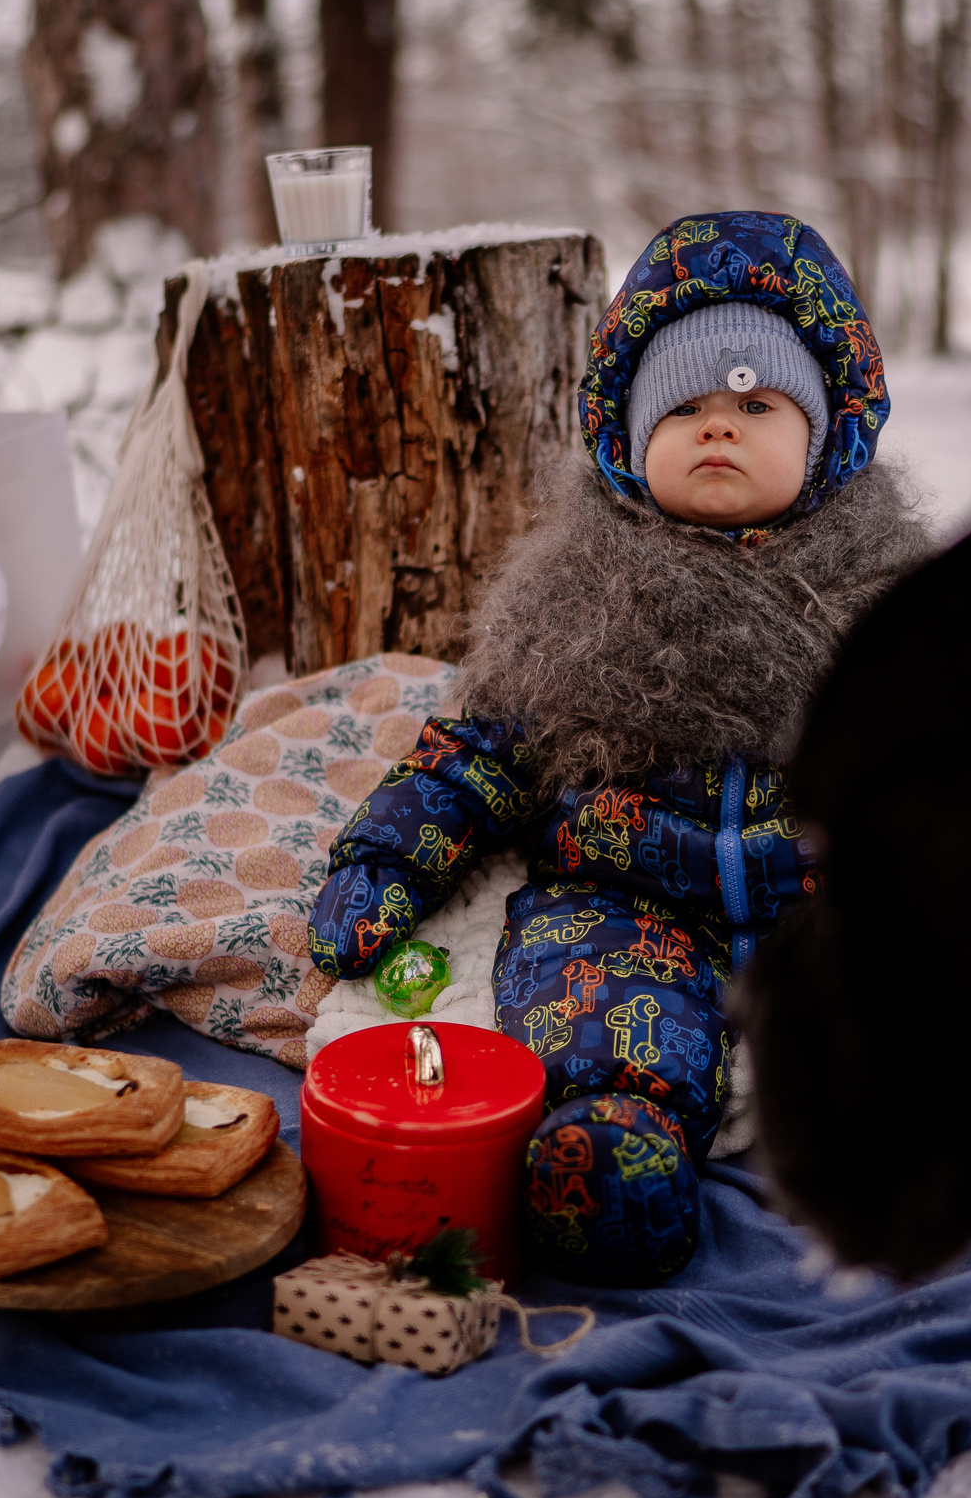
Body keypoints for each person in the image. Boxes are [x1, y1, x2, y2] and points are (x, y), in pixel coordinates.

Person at [306, 211, 928, 1285]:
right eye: (683, 407)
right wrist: (383, 861)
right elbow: (478, 748)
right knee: (591, 1003)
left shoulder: (888, 593)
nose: (717, 428)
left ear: (826, 433)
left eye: (754, 403)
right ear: (629, 437)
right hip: (630, 894)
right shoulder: (575, 590)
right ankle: (614, 1156)